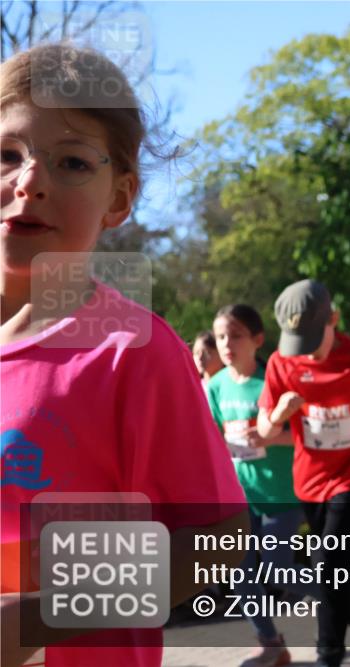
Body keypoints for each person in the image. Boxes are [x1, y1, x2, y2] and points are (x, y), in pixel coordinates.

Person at [0, 44, 248, 667]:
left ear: (119, 198)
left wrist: (34, 619)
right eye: (8, 154)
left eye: (73, 162)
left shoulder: (130, 348)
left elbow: (215, 547)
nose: (29, 181)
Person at [256, 279, 350, 667]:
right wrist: (279, 415)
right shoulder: (281, 363)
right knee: (349, 569)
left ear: (334, 320)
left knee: (328, 563)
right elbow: (265, 430)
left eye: (311, 338)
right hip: (310, 482)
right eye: (297, 340)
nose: (305, 351)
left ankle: (330, 653)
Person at [208, 304, 318, 666]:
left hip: (283, 493)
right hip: (241, 497)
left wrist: (270, 438)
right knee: (239, 573)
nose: (227, 343)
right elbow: (211, 436)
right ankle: (271, 643)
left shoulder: (275, 377)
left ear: (257, 339)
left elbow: (308, 432)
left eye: (236, 335)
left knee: (277, 570)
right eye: (222, 336)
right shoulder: (217, 385)